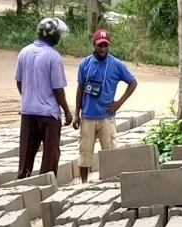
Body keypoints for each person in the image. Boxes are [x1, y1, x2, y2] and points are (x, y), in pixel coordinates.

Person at [73, 28, 138, 182]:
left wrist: (119, 103)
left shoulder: (116, 64)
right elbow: (80, 88)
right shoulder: (85, 64)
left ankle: (110, 183)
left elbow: (133, 82)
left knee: (110, 152)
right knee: (85, 152)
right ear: (93, 44)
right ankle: (83, 183)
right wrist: (77, 114)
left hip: (106, 116)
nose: (102, 49)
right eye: (99, 45)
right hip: (88, 116)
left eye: (105, 46)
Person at [15, 17, 74, 179]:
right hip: (48, 115)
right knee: (50, 155)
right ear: (53, 36)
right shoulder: (53, 57)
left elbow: (19, 82)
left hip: (28, 112)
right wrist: (67, 112)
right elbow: (58, 90)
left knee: (26, 153)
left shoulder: (24, 52)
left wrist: (29, 98)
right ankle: (46, 186)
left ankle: (22, 181)